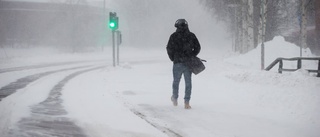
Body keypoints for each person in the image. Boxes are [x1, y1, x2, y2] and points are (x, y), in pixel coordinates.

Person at [166, 19, 201, 109]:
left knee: (176, 82)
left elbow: (169, 48)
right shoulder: (191, 36)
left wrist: (173, 58)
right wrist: (192, 55)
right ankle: (187, 102)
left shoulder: (173, 36)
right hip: (188, 63)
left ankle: (175, 98)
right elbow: (198, 47)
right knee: (188, 82)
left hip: (177, 62)